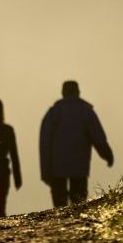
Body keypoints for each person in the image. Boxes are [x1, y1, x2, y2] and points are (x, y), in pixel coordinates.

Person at [39, 80, 113, 208]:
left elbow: (44, 143)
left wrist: (45, 172)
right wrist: (107, 154)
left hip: (57, 167)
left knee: (60, 208)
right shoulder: (86, 111)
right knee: (78, 206)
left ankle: (61, 220)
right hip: (79, 165)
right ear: (78, 92)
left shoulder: (53, 113)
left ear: (63, 93)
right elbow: (98, 137)